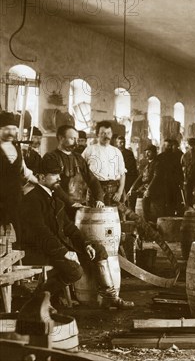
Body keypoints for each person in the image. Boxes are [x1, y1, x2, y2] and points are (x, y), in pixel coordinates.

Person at [21, 156, 133, 309]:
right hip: (39, 250)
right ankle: (38, 299)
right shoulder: (32, 199)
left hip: (56, 245)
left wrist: (85, 244)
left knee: (98, 249)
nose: (59, 178)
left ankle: (111, 297)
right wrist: (64, 252)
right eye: (54, 175)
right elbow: (41, 233)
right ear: (41, 177)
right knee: (74, 271)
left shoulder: (53, 195)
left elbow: (69, 227)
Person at [43, 125, 104, 220]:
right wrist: (72, 203)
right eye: (72, 139)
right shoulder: (51, 157)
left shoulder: (78, 158)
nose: (76, 143)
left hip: (79, 208)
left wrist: (99, 199)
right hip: (59, 207)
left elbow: (92, 179)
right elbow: (54, 185)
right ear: (61, 138)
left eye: (77, 139)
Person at [0, 111, 38, 244]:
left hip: (14, 198)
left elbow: (24, 171)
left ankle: (16, 260)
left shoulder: (17, 147)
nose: (11, 132)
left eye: (13, 129)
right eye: (7, 129)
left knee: (16, 231)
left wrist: (40, 183)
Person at [82, 121, 126, 206]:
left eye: (108, 133)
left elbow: (122, 174)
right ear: (97, 134)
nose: (106, 136)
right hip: (94, 191)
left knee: (114, 218)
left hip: (113, 192)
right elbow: (81, 171)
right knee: (93, 217)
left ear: (111, 134)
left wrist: (119, 192)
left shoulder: (117, 152)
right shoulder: (89, 150)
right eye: (102, 133)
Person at [147, 139, 185, 217]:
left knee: (173, 200)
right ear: (164, 146)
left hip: (174, 182)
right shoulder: (160, 157)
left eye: (170, 146)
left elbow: (179, 169)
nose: (169, 147)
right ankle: (166, 217)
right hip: (163, 183)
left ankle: (171, 216)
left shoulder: (177, 156)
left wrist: (181, 180)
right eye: (168, 146)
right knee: (165, 201)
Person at [128, 145, 159, 223]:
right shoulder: (147, 165)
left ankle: (147, 222)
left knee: (145, 202)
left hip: (154, 188)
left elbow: (155, 178)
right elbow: (140, 177)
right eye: (146, 152)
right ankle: (134, 219)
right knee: (131, 195)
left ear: (154, 153)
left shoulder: (157, 164)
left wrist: (148, 189)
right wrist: (132, 188)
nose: (147, 154)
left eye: (149, 152)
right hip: (145, 187)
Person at [114, 135, 138, 208]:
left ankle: (130, 214)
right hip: (117, 178)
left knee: (129, 197)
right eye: (120, 142)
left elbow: (130, 166)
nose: (122, 144)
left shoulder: (128, 153)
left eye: (123, 142)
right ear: (116, 143)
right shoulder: (114, 152)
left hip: (129, 178)